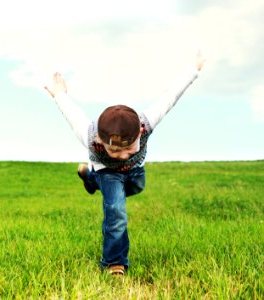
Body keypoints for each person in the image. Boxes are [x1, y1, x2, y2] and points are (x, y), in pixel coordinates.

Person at [44, 51, 206, 276]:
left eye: (129, 148)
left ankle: (90, 179)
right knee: (116, 210)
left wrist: (193, 70)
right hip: (107, 172)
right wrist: (59, 94)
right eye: (114, 150)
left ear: (138, 135)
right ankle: (114, 263)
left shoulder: (146, 123)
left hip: (135, 172)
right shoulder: (89, 135)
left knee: (137, 187)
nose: (121, 155)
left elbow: (169, 98)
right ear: (101, 139)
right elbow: (72, 113)